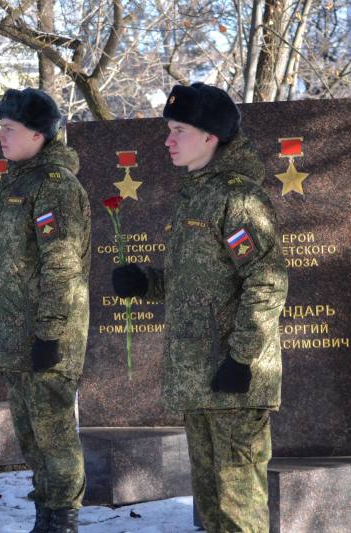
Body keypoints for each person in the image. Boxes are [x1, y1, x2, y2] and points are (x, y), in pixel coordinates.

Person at [111, 82, 288, 533]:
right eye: (169, 130)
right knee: (211, 507)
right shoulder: (196, 193)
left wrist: (241, 358)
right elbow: (200, 282)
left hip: (232, 378)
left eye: (179, 131)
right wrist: (147, 282)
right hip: (200, 376)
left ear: (210, 136)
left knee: (237, 508)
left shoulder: (237, 198)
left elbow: (266, 280)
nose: (168, 140)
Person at [0, 88, 91, 533]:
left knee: (54, 434)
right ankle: (46, 515)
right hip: (17, 333)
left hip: (45, 334)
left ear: (38, 134)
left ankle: (63, 518)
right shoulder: (17, 182)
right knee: (32, 435)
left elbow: (62, 265)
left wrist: (50, 333)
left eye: (8, 128)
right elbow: (25, 258)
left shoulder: (55, 186)